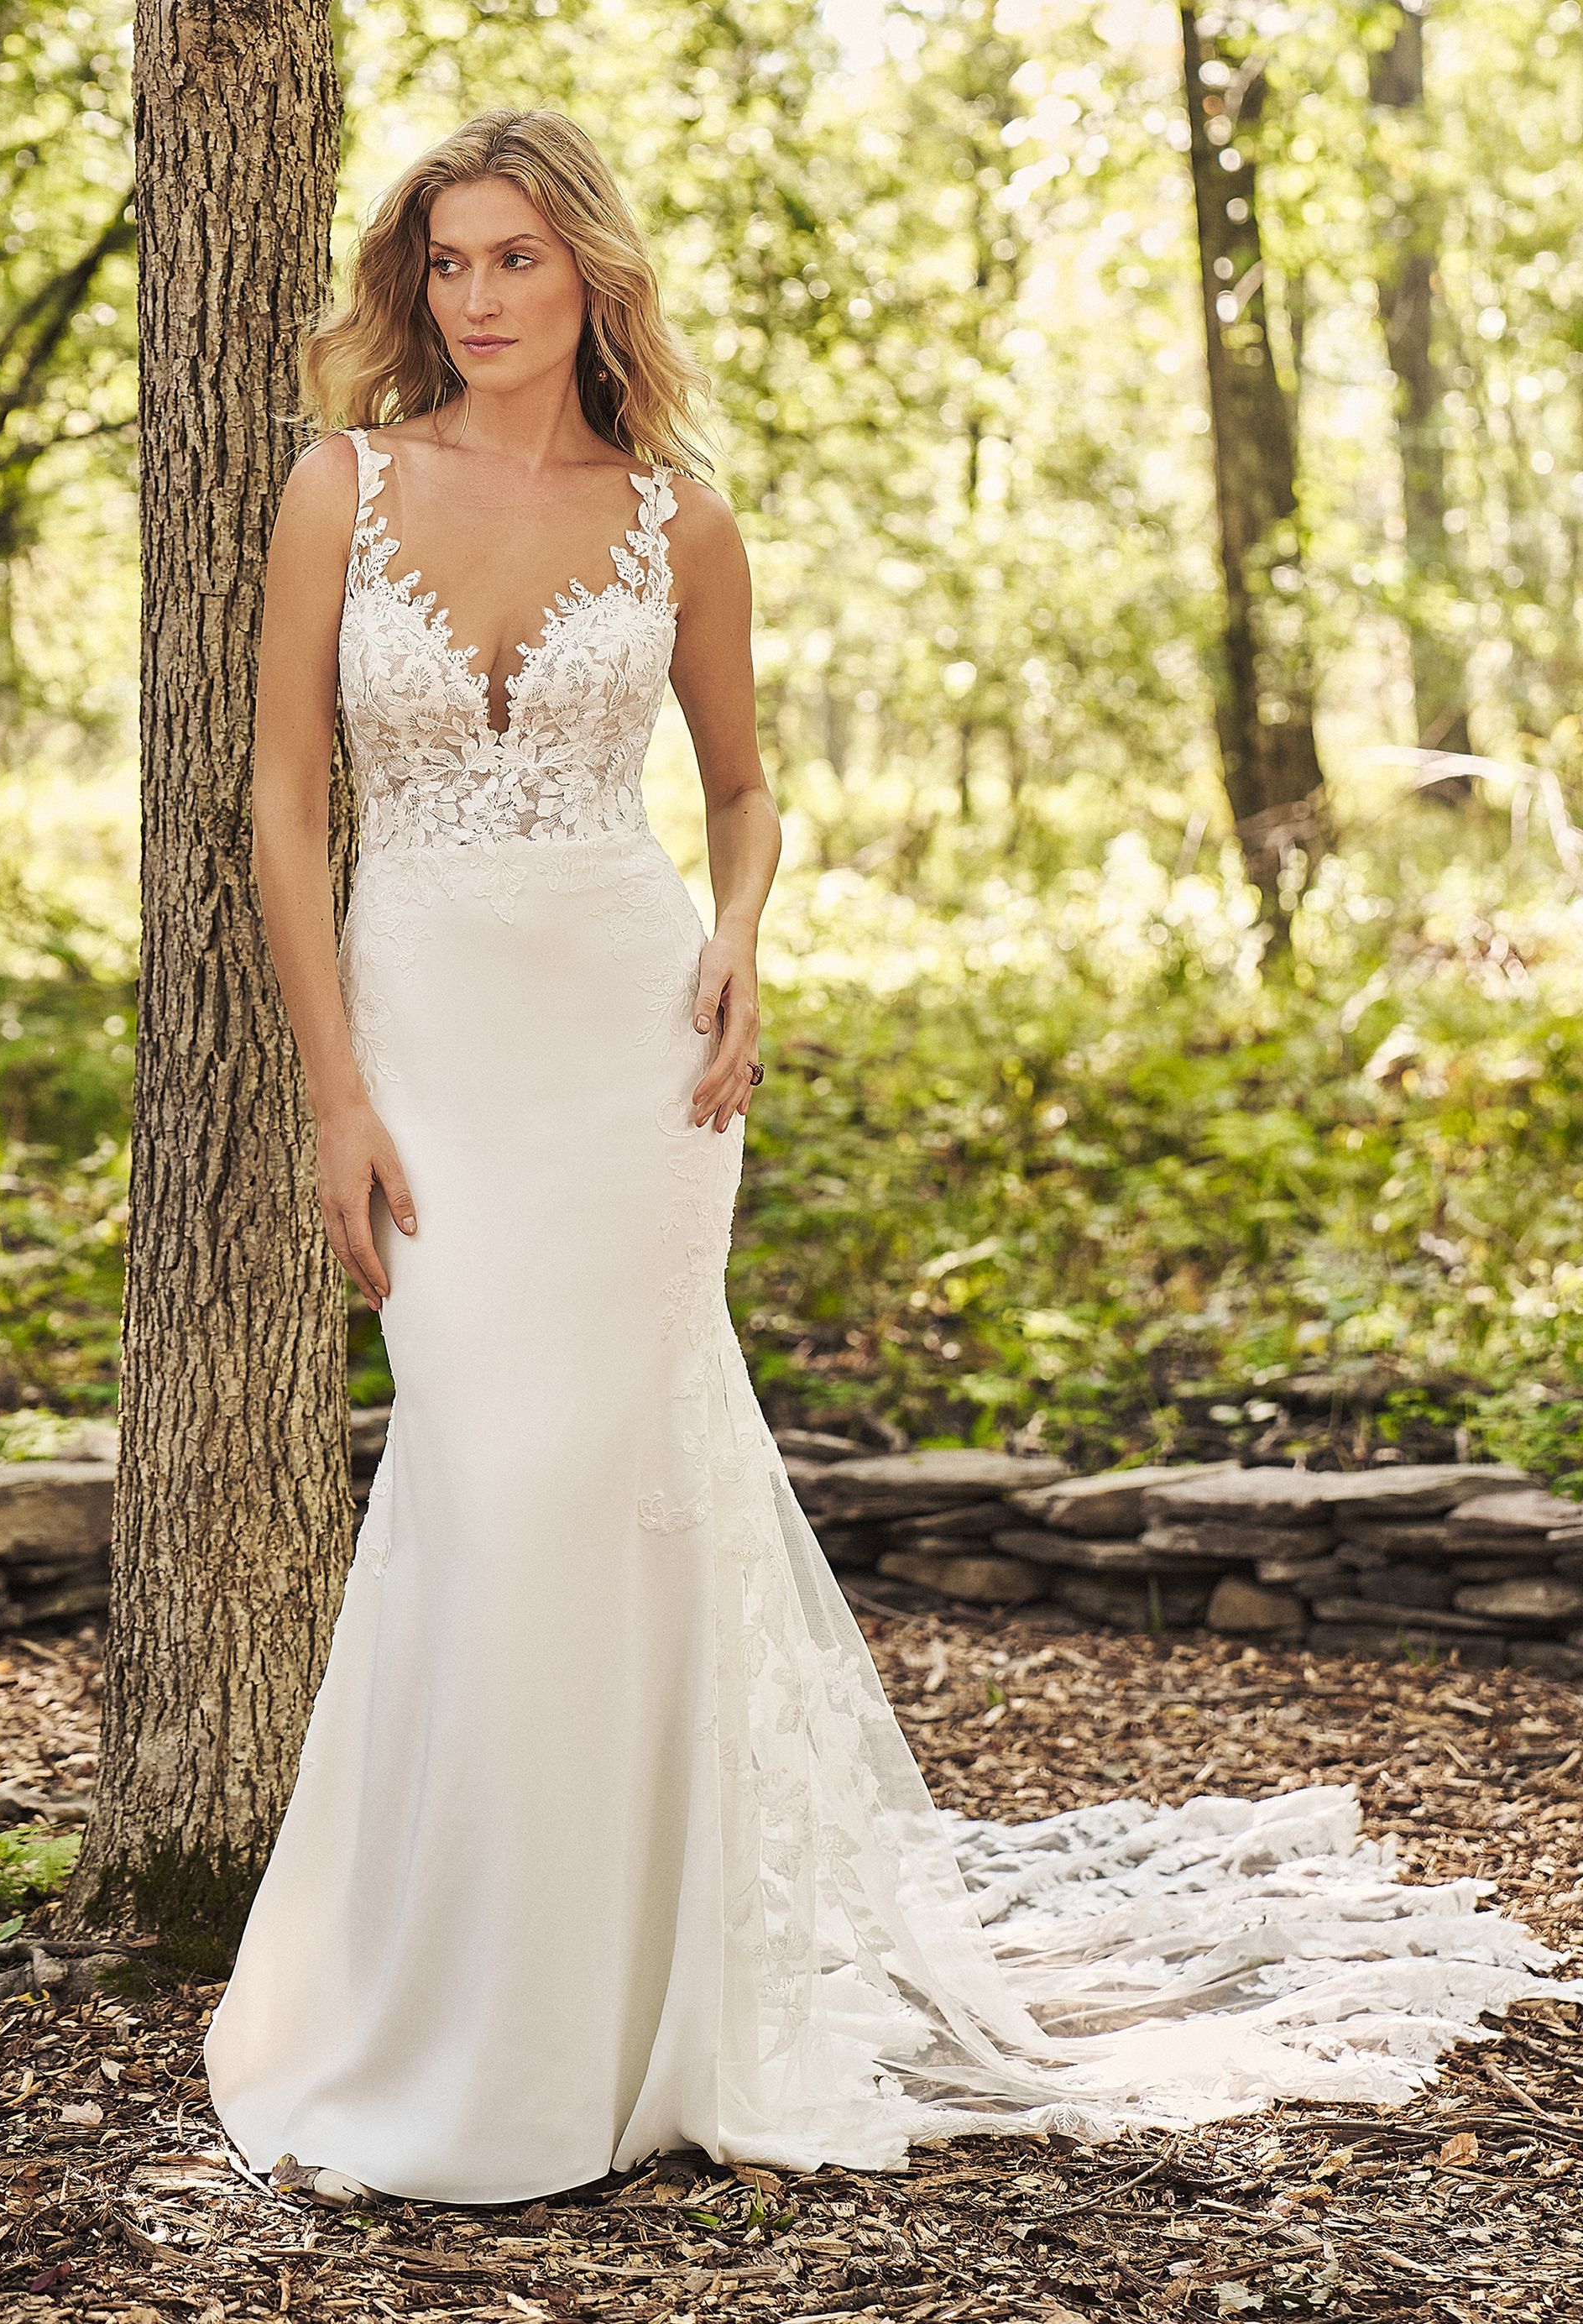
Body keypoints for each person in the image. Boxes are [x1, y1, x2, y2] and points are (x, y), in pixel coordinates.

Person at [203, 107, 1579, 2206]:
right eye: (449, 264)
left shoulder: (681, 519)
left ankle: (637, 2017)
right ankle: (453, 2002)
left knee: (611, 1489)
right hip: (430, 1041)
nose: (477, 299)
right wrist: (333, 1091)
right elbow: (285, 807)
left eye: (515, 262)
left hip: (631, 1041)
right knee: (484, 1481)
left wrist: (744, 936)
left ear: (589, 277)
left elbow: (740, 790)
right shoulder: (341, 488)